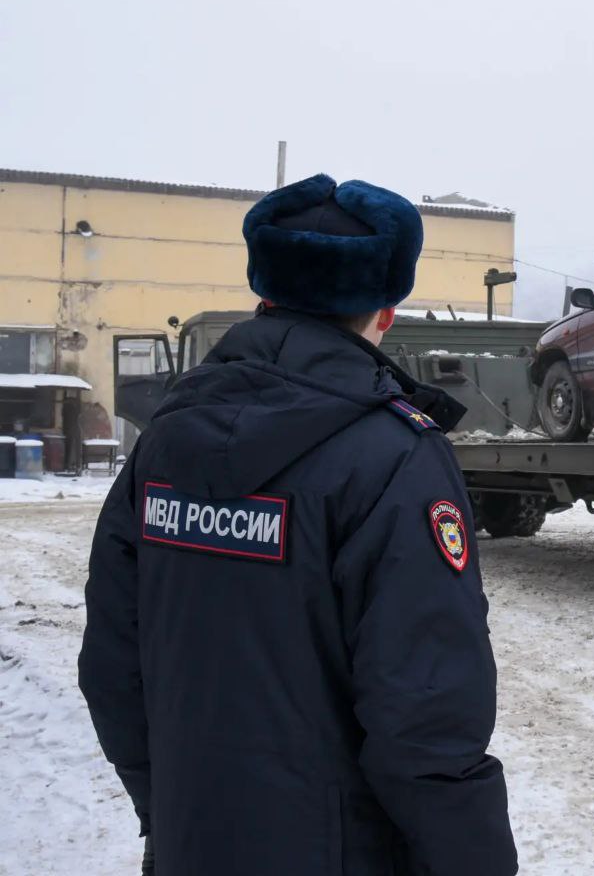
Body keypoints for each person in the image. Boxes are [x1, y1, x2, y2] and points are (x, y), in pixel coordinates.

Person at [78, 173, 518, 875]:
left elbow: (113, 664)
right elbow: (426, 714)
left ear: (265, 296)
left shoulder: (164, 441)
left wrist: (167, 810)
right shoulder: (393, 454)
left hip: (193, 840)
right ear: (386, 313)